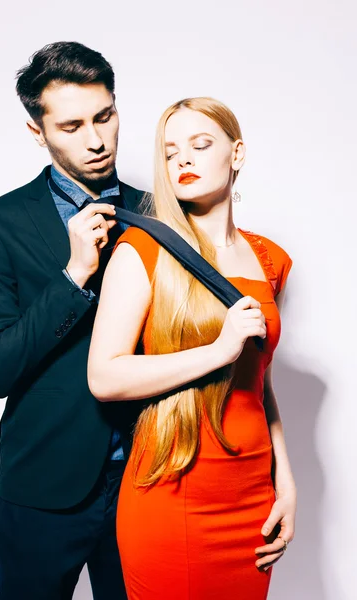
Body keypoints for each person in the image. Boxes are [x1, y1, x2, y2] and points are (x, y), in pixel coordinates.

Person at [88, 97, 297, 599]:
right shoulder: (141, 250)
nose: (183, 159)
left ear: (237, 153)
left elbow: (259, 382)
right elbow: (104, 377)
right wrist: (218, 350)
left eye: (201, 145)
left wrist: (285, 485)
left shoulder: (270, 259)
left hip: (250, 499)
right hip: (173, 491)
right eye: (170, 151)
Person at [0, 41, 146, 600]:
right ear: (37, 132)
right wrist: (73, 276)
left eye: (104, 116)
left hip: (150, 483)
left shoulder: (160, 213)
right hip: (44, 487)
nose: (95, 140)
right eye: (71, 126)